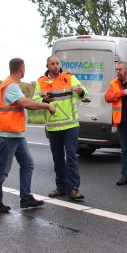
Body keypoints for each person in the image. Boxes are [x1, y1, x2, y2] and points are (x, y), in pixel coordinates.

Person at [0, 58, 55, 213]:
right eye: (25, 67)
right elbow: (25, 103)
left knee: (27, 164)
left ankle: (26, 198)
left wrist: (42, 101)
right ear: (21, 69)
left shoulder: (12, 85)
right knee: (2, 169)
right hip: (7, 134)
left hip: (16, 134)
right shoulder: (10, 85)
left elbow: (24, 102)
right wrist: (46, 105)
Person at [33, 55, 88, 201]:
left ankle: (74, 188)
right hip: (52, 126)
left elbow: (83, 93)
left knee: (71, 156)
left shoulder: (69, 78)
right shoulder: (41, 82)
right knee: (57, 158)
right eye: (52, 64)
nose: (55, 66)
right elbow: (35, 100)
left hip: (70, 125)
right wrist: (44, 100)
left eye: (57, 63)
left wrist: (80, 92)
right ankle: (61, 187)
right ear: (48, 66)